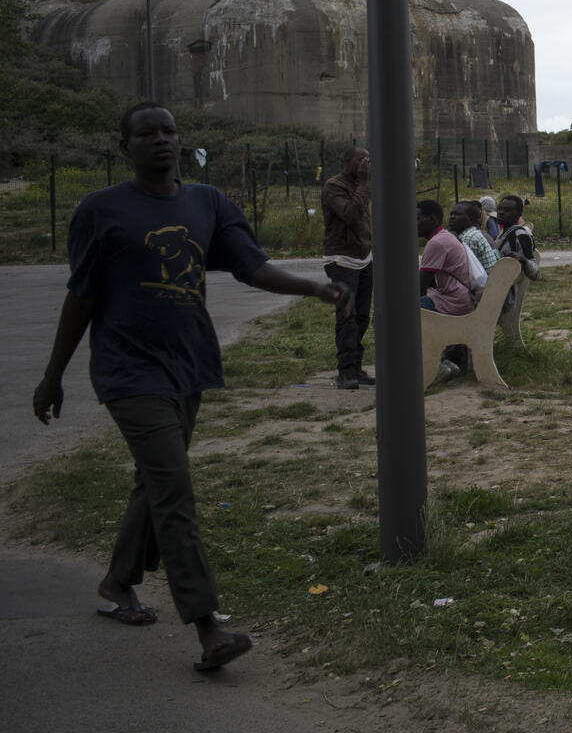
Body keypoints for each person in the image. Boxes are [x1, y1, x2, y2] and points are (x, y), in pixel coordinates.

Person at [32, 103, 349, 673]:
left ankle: (118, 581)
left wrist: (313, 288)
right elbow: (81, 295)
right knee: (173, 488)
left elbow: (252, 266)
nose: (161, 140)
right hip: (128, 371)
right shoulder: (100, 209)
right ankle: (208, 628)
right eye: (146, 133)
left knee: (155, 480)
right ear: (125, 147)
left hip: (188, 364)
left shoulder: (207, 203)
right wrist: (53, 375)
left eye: (169, 131)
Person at [321, 145, 374, 390]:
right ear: (347, 161)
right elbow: (351, 215)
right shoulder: (334, 186)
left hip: (363, 256)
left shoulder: (361, 185)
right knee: (347, 316)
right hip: (341, 259)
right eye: (360, 160)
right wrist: (363, 184)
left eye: (368, 160)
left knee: (362, 316)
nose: (365, 165)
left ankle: (356, 367)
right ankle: (345, 371)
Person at [419, 199, 475, 384]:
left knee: (402, 314)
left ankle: (435, 366)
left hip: (452, 302)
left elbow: (420, 287)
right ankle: (442, 363)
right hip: (457, 298)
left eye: (417, 219)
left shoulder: (437, 243)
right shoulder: (445, 237)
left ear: (432, 219)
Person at [449, 200, 499, 290]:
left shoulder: (468, 238)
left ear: (471, 220)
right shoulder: (473, 233)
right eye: (451, 214)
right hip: (491, 285)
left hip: (486, 290)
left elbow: (468, 273)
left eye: (458, 214)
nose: (452, 217)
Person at [494, 193, 540, 280]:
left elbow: (535, 273)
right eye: (499, 209)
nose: (501, 212)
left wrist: (524, 260)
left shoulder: (521, 235)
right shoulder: (503, 232)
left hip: (509, 285)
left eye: (507, 210)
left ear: (519, 214)